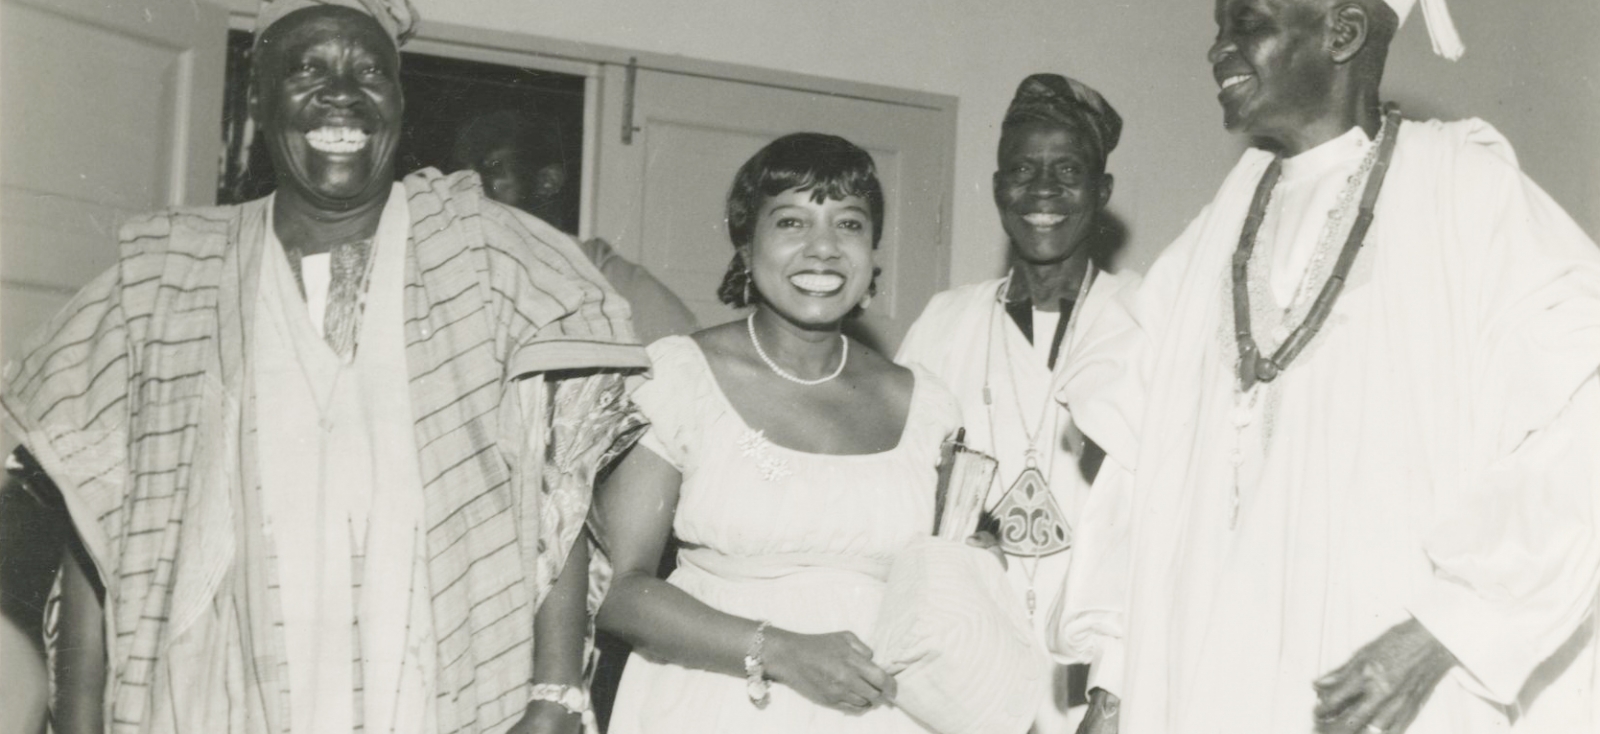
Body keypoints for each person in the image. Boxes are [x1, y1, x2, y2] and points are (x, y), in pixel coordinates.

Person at [0, 2, 650, 733]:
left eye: (371, 70)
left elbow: (554, 507)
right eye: (307, 67)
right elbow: (95, 536)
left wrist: (556, 694)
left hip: (445, 696)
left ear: (401, 100)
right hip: (212, 694)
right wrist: (80, 722)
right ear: (258, 97)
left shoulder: (488, 259)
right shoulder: (163, 280)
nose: (343, 92)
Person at [1052, 1, 1600, 733]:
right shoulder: (1221, 222)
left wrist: (1450, 626)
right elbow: (1140, 462)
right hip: (1204, 680)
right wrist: (1116, 685)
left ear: (1342, 32)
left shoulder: (1467, 194)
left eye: (1246, 20)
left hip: (1377, 688)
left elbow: (1584, 424)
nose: (1219, 47)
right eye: (1218, 25)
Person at [591, 132, 981, 733]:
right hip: (718, 706)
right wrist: (782, 652)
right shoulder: (681, 376)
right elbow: (622, 595)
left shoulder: (927, 402)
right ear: (746, 248)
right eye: (792, 223)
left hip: (880, 715)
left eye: (849, 225)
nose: (823, 249)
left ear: (874, 252)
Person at [896, 73, 1137, 734]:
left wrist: (1116, 692)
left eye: (1068, 170)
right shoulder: (944, 325)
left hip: (1103, 685)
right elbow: (902, 491)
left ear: (1103, 192)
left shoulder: (1146, 320)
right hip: (964, 674)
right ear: (998, 186)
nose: (1044, 192)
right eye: (1023, 170)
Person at [452, 110, 699, 345]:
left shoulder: (609, 277)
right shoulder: (461, 272)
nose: (467, 185)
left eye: (492, 167)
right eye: (462, 173)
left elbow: (690, 368)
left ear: (547, 182)